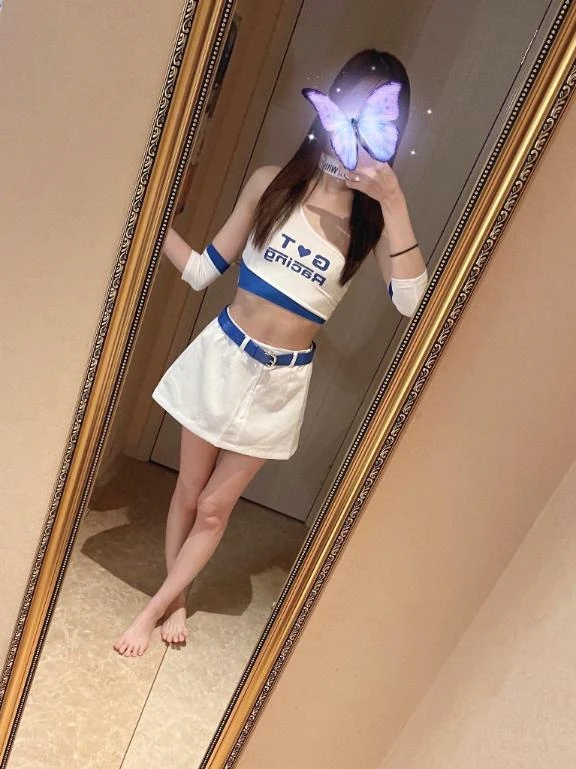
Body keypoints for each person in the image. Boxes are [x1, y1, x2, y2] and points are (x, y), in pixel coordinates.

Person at [113, 49, 428, 657]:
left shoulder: (369, 225)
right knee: (188, 492)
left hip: (280, 383)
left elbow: (412, 302)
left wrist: (394, 203)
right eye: (353, 102)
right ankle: (175, 599)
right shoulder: (271, 184)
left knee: (214, 508)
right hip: (223, 356)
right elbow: (202, 272)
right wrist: (147, 222)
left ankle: (151, 612)